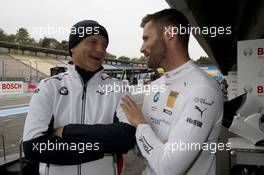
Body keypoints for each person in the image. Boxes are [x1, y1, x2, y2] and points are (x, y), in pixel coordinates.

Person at [23, 20, 136, 175]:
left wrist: (66, 131)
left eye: (104, 45)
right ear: (73, 47)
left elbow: (126, 137)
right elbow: (33, 146)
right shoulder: (48, 86)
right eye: (93, 42)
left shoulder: (118, 87)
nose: (100, 49)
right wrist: (100, 149)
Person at [121, 9, 223, 175]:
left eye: (146, 38)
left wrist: (140, 124)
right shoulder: (156, 86)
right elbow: (141, 152)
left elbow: (169, 168)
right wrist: (158, 145)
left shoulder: (202, 90)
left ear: (169, 33)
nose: (141, 48)